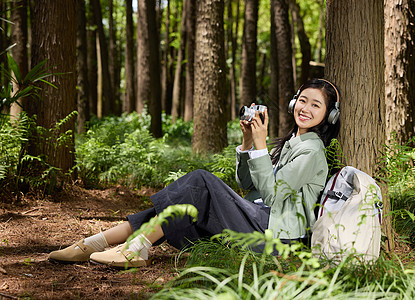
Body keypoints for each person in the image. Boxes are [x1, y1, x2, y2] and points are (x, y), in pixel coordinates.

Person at [48, 78, 341, 268]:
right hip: (258, 218)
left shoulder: (311, 151)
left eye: (316, 105)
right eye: (302, 100)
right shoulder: (293, 143)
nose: (305, 108)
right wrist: (249, 143)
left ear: (328, 116)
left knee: (199, 181)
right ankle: (95, 244)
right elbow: (247, 185)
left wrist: (262, 145)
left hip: (276, 238)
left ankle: (132, 248)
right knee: (183, 200)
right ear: (293, 103)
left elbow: (275, 198)